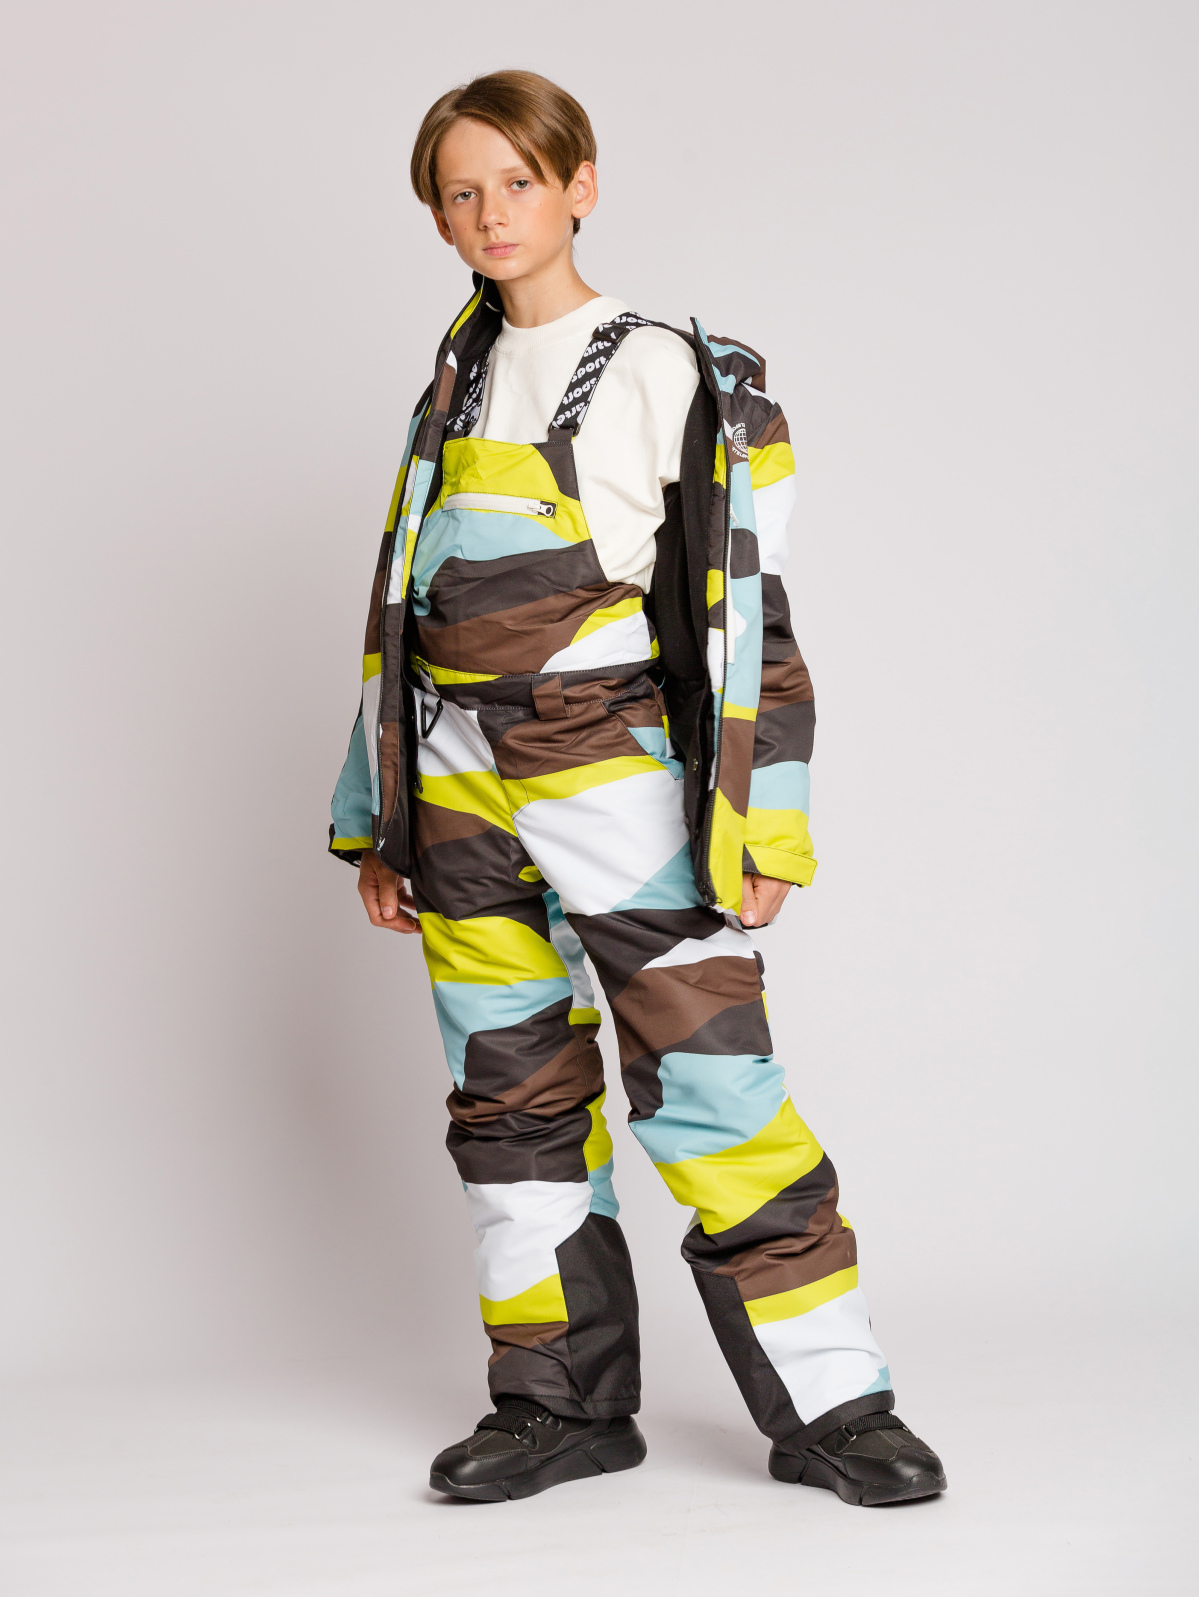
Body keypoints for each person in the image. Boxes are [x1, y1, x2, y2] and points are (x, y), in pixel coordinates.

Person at [329, 69, 945, 1507]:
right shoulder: (451, 380)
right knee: (511, 1103)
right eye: (462, 192)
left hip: (611, 777)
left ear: (580, 186)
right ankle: (558, 1405)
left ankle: (835, 1406)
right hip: (455, 783)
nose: (492, 212)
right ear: (439, 218)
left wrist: (768, 824)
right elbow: (396, 612)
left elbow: (749, 615)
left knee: (716, 1087)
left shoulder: (669, 367)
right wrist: (377, 817)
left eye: (518, 182)